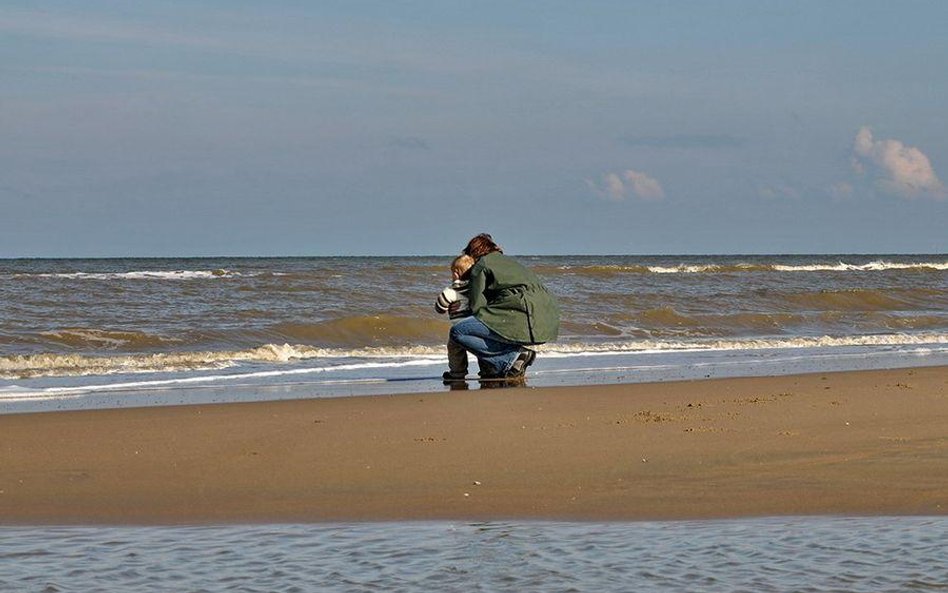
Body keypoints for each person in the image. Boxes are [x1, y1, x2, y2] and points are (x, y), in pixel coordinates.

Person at [447, 233, 559, 379]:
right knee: (489, 323)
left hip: (522, 313)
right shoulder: (512, 263)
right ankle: (501, 367)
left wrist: (460, 307)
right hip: (547, 318)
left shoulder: (481, 265)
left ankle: (514, 357)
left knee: (458, 332)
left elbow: (477, 308)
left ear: (473, 252)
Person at [435, 254, 475, 380]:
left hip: (459, 328)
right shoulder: (474, 289)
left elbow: (440, 307)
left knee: (455, 349)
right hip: (475, 327)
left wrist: (445, 308)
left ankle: (457, 373)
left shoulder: (451, 291)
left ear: (456, 274)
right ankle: (486, 370)